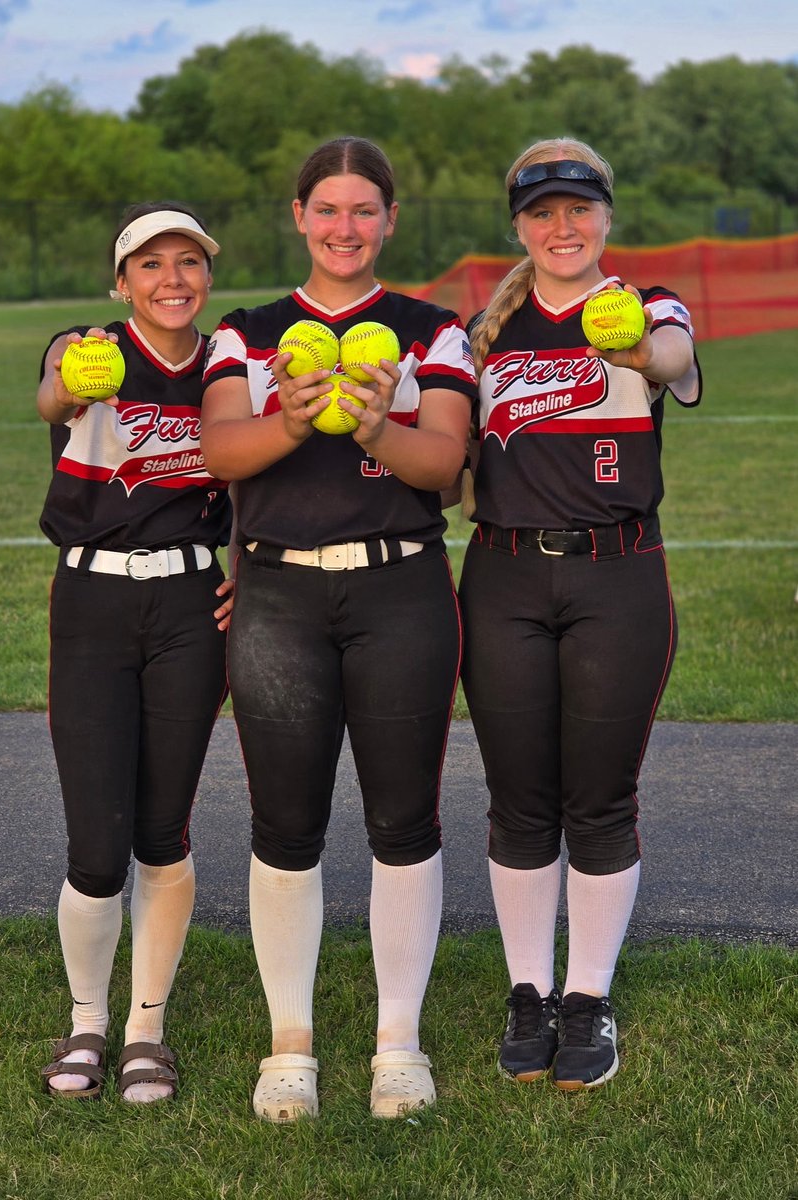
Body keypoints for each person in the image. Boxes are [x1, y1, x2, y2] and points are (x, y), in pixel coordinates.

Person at [200, 136, 478, 1121]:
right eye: (328, 209)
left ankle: (397, 1042)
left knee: (405, 823)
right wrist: (290, 418)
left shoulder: (429, 329)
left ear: (390, 221)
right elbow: (222, 448)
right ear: (299, 216)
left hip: (399, 590)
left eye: (366, 210)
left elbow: (443, 465)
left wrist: (370, 427)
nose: (346, 227)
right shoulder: (250, 330)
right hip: (280, 597)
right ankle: (291, 1046)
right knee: (286, 828)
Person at [459, 138, 701, 1091]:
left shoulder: (648, 307)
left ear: (607, 217)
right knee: (519, 798)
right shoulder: (484, 327)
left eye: (579, 208)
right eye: (542, 211)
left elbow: (676, 357)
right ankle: (529, 991)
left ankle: (588, 996)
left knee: (598, 800)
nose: (562, 226)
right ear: (518, 226)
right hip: (505, 577)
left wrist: (633, 347)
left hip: (617, 578)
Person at [36, 202, 233, 1103]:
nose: (172, 280)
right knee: (96, 840)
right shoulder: (88, 349)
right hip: (94, 601)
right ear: (122, 283)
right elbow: (53, 394)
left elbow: (263, 471)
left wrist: (254, 569)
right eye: (150, 264)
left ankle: (146, 1028)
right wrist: (73, 384)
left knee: (162, 829)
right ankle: (86, 1021)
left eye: (188, 262)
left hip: (193, 602)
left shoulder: (229, 367)